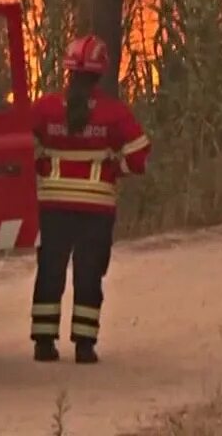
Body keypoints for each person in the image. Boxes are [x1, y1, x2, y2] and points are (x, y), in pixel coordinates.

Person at [29, 34, 151, 364]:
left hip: (52, 206)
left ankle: (43, 343)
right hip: (96, 208)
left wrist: (41, 164)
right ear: (100, 73)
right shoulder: (114, 113)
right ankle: (84, 345)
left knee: (50, 270)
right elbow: (140, 156)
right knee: (89, 273)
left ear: (68, 70)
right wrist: (115, 170)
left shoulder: (45, 108)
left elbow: (21, 145)